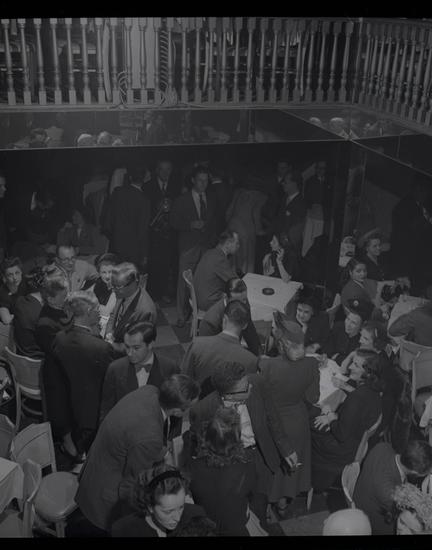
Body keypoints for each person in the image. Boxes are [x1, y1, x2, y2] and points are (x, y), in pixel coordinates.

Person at [75, 374, 200, 532]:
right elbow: (134, 483)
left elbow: (135, 437)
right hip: (105, 496)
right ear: (177, 411)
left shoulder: (149, 391)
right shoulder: (149, 436)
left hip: (95, 469)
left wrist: (162, 452)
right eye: (189, 408)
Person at [189, 362, 299, 528]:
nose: (251, 387)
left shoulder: (257, 383)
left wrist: (287, 449)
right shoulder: (203, 410)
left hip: (260, 456)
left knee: (260, 502)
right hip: (229, 464)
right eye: (245, 388)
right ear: (230, 395)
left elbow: (273, 418)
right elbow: (201, 446)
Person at [259, 316, 320, 518]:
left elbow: (261, 397)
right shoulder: (311, 364)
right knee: (290, 470)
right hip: (297, 422)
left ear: (281, 344)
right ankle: (283, 504)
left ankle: (265, 504)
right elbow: (313, 397)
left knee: (271, 465)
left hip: (273, 422)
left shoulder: (267, 366)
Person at [50, 291, 115, 457]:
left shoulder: (59, 338)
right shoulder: (101, 348)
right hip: (93, 414)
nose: (100, 312)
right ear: (88, 311)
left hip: (67, 408)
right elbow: (110, 380)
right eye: (97, 309)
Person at [311, 353, 383, 492]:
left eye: (356, 365)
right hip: (354, 441)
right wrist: (335, 416)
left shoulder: (357, 397)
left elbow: (341, 434)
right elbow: (355, 418)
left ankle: (303, 480)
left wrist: (329, 414)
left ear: (368, 373)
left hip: (341, 450)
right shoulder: (374, 391)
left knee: (307, 425)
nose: (350, 367)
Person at [190, 407, 264, 536]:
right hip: (235, 526)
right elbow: (252, 496)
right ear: (236, 440)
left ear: (207, 437)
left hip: (206, 528)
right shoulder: (246, 467)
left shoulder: (193, 466)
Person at [100, 320, 179, 423]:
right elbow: (106, 408)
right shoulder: (115, 369)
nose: (129, 353)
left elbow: (176, 407)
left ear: (150, 344)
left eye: (136, 348)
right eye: (127, 347)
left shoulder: (170, 368)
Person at [169, 165, 218, 327]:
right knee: (184, 282)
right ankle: (181, 315)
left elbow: (215, 222)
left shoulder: (211, 199)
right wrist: (190, 225)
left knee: (203, 281)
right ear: (193, 180)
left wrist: (213, 243)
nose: (203, 184)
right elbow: (173, 222)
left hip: (206, 247)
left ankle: (198, 313)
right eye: (200, 180)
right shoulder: (182, 200)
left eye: (206, 181)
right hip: (188, 247)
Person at [181, 300, 258, 398]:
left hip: (198, 402)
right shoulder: (251, 360)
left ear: (224, 319)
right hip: (230, 406)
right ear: (245, 325)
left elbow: (183, 379)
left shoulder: (197, 344)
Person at [353, 440, 432, 535]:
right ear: (415, 473)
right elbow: (407, 515)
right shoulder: (389, 493)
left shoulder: (383, 446)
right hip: (370, 519)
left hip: (363, 494)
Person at [111, 463, 206, 537]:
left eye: (181, 507)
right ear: (150, 506)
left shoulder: (197, 516)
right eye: (168, 512)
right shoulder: (124, 531)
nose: (177, 518)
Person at [357, 321, 403, 434]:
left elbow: (368, 393)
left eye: (365, 339)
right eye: (361, 336)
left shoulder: (378, 362)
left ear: (377, 343)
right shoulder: (378, 352)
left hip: (379, 410)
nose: (360, 341)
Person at [144, 160, 180, 304]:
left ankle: (165, 292)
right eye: (162, 169)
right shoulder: (147, 187)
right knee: (154, 265)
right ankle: (153, 294)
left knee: (169, 264)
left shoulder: (177, 187)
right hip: (153, 233)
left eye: (168, 169)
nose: (166, 173)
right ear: (157, 171)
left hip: (171, 233)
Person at [104, 165, 151, 272]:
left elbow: (108, 222)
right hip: (133, 250)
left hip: (115, 245)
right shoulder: (144, 200)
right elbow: (143, 230)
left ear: (130, 177)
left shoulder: (117, 192)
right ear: (144, 179)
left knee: (116, 276)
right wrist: (144, 254)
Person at [198, 277, 261, 356]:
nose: (241, 305)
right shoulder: (210, 322)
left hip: (234, 348)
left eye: (244, 299)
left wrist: (258, 355)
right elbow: (207, 353)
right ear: (226, 297)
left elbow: (249, 330)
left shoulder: (243, 303)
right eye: (236, 301)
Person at [105, 262, 157, 353]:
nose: (113, 290)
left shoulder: (146, 310)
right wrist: (108, 333)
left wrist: (112, 345)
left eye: (117, 287)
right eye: (112, 285)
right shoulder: (122, 293)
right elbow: (113, 314)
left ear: (133, 284)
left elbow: (139, 346)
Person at [225, 177, 267, 274]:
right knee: (247, 257)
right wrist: (259, 230)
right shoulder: (261, 196)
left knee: (233, 256)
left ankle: (231, 278)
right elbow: (255, 213)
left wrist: (229, 225)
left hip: (233, 225)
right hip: (247, 228)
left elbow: (229, 211)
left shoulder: (238, 192)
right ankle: (245, 279)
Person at [193, 230, 239, 311]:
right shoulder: (220, 259)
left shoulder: (211, 252)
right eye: (237, 243)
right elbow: (236, 282)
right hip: (208, 302)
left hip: (200, 297)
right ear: (228, 244)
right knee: (240, 300)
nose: (238, 246)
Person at [323, 298, 373, 364]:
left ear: (361, 326)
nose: (348, 325)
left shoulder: (363, 339)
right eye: (348, 319)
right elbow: (327, 349)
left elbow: (355, 362)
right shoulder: (338, 327)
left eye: (353, 323)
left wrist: (337, 357)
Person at [83, 253, 119, 337]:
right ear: (98, 272)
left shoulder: (119, 288)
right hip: (92, 324)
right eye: (104, 272)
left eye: (110, 272)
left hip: (110, 327)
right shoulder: (93, 284)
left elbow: (108, 312)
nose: (107, 276)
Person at [13, 267, 45, 358]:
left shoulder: (19, 301)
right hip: (38, 359)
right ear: (44, 288)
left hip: (21, 355)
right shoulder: (42, 315)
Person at [273, 169, 307, 254]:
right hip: (278, 243)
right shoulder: (284, 198)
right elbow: (278, 220)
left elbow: (295, 233)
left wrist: (281, 243)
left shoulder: (301, 204)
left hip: (289, 248)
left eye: (285, 182)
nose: (282, 184)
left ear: (294, 184)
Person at [288, 288, 330, 354]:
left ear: (313, 312)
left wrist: (316, 346)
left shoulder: (322, 318)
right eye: (299, 310)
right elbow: (295, 346)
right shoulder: (292, 318)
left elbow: (326, 338)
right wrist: (304, 327)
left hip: (315, 353)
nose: (301, 315)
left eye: (306, 312)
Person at [0, 257, 28, 324]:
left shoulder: (26, 283)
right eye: (10, 275)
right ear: (4, 277)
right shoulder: (2, 293)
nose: (15, 278)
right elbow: (6, 320)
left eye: (17, 273)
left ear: (21, 272)